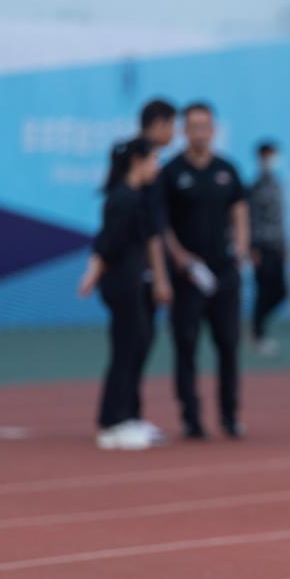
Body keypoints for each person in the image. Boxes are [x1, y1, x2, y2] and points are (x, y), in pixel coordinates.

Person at [160, 103, 250, 439]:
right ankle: (191, 418)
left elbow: (239, 210)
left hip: (224, 272)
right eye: (193, 126)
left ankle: (229, 415)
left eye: (205, 126)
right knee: (186, 345)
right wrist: (179, 256)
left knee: (228, 345)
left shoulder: (227, 169)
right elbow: (162, 222)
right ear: (184, 131)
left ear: (213, 130)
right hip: (187, 276)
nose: (199, 132)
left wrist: (241, 246)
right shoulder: (172, 172)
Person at [78, 138, 161, 450]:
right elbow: (107, 244)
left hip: (134, 281)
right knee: (126, 349)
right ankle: (111, 422)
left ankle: (125, 416)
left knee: (136, 344)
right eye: (153, 160)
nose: (157, 167)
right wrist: (92, 274)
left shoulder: (136, 196)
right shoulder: (123, 198)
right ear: (137, 161)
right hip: (122, 283)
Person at [127, 98, 177, 446]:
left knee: (140, 341)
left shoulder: (149, 162)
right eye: (172, 125)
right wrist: (159, 276)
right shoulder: (140, 160)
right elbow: (151, 230)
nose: (174, 133)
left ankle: (130, 415)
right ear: (158, 124)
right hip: (136, 270)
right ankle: (123, 417)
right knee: (134, 342)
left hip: (139, 269)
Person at [248, 140, 288, 357]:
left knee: (281, 291)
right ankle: (258, 333)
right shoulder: (256, 185)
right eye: (269, 155)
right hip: (262, 246)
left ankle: (257, 326)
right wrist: (252, 247)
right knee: (263, 291)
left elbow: (280, 217)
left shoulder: (276, 182)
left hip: (276, 245)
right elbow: (251, 217)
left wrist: (284, 244)